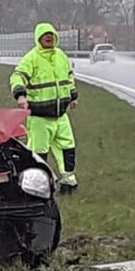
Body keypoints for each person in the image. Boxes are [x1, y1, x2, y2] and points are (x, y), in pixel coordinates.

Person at [10, 23, 79, 194]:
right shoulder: (31, 58)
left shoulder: (61, 56)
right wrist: (20, 96)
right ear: (38, 38)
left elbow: (69, 78)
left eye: (51, 35)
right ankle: (39, 186)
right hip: (40, 118)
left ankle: (68, 182)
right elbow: (17, 76)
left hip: (61, 116)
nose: (49, 38)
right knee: (39, 153)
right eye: (45, 35)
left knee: (67, 148)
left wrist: (73, 97)